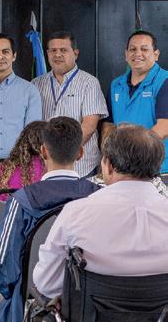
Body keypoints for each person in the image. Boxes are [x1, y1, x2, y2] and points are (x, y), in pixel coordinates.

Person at [0, 116, 100, 322]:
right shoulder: (98, 197)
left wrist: (16, 294)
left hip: (30, 302)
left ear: (44, 151)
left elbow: (5, 260)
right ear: (80, 153)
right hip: (87, 305)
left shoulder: (22, 200)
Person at [33, 124, 168, 300]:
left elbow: (47, 284)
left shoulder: (76, 213)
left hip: (91, 311)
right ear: (157, 166)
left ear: (108, 166)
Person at [0, 34, 42, 199]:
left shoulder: (29, 90)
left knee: (17, 214)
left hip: (21, 169)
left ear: (14, 55)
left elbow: (31, 134)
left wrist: (14, 165)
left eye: (5, 51)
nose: (0, 56)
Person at [32, 31, 108, 177]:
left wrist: (63, 154)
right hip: (45, 166)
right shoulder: (36, 84)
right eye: (53, 50)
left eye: (63, 50)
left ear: (75, 53)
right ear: (47, 53)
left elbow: (89, 126)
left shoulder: (89, 83)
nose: (57, 55)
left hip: (81, 167)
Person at [103, 30, 168, 175]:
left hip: (159, 169)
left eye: (144, 49)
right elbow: (109, 125)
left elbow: (164, 127)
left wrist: (133, 156)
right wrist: (109, 157)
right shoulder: (116, 85)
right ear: (126, 54)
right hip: (123, 169)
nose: (138, 54)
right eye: (132, 49)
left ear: (156, 54)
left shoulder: (164, 81)